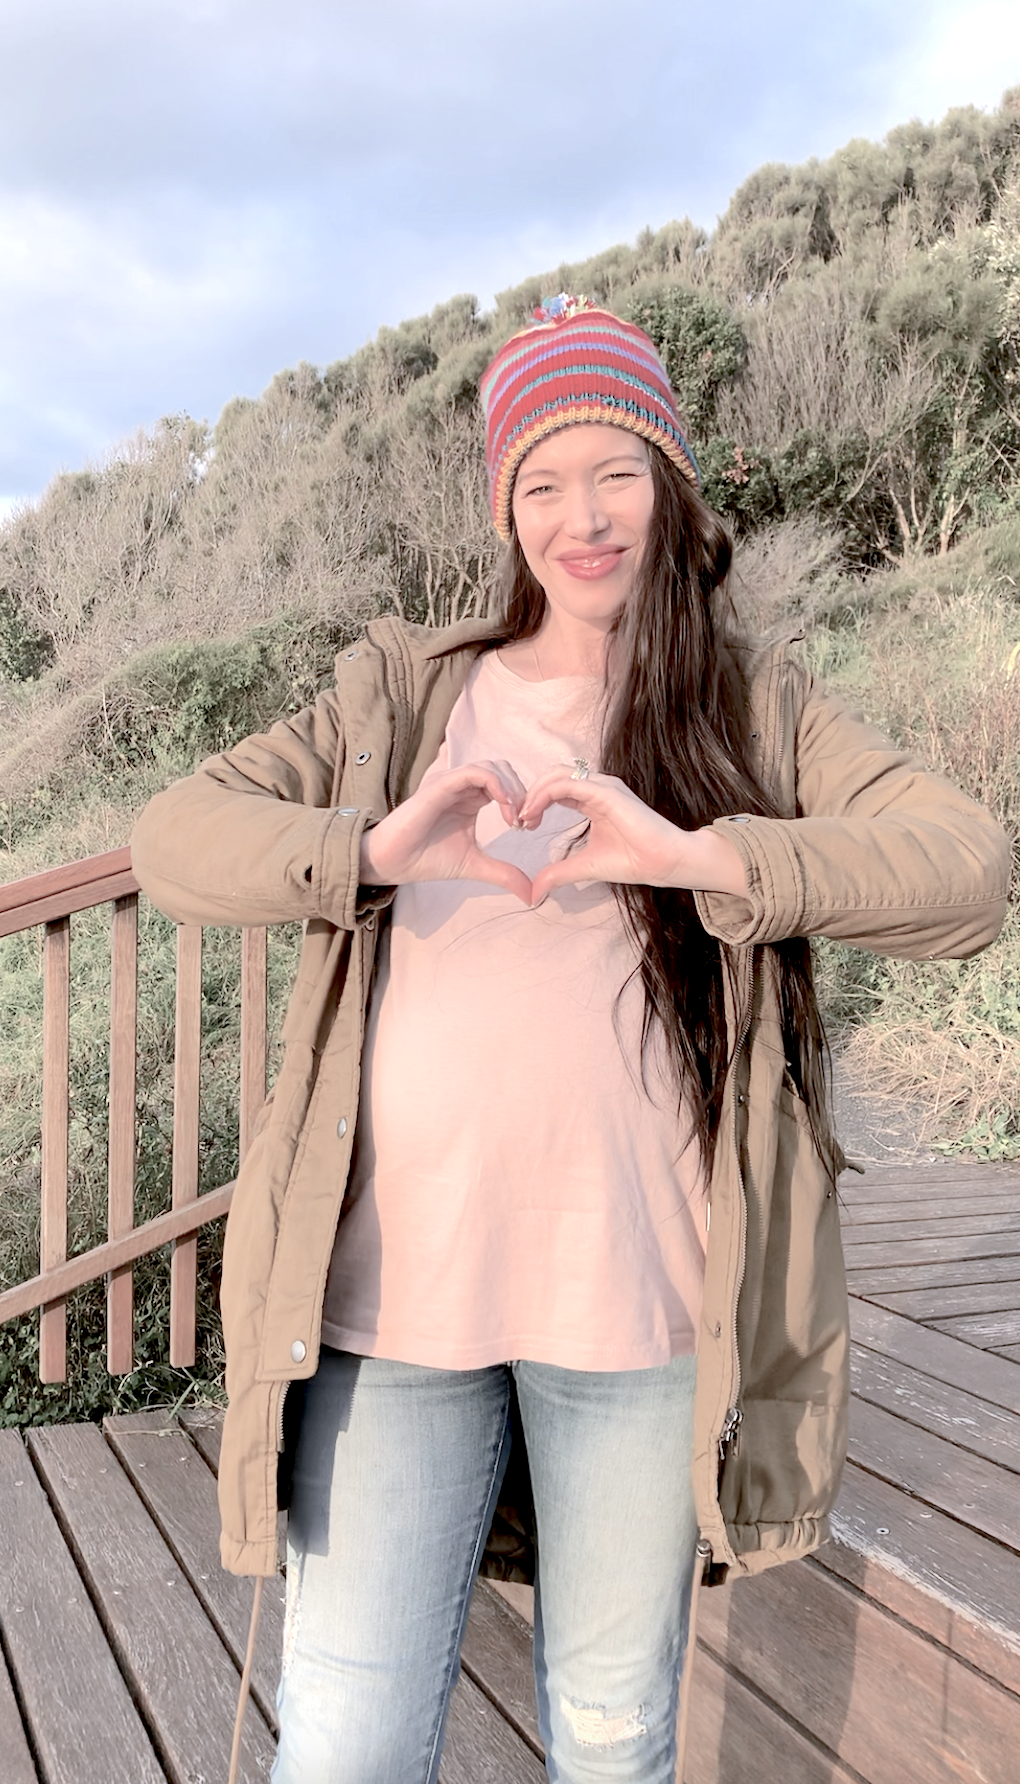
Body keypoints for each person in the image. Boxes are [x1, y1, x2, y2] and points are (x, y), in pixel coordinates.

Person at [131, 296, 1009, 1784]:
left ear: (671, 483)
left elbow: (966, 869)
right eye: (541, 481)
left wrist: (702, 858)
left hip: (648, 1317)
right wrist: (373, 849)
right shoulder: (402, 696)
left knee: (612, 1740)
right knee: (344, 1745)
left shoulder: (754, 706)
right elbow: (176, 837)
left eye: (616, 471)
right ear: (505, 508)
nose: (582, 517)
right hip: (386, 1307)